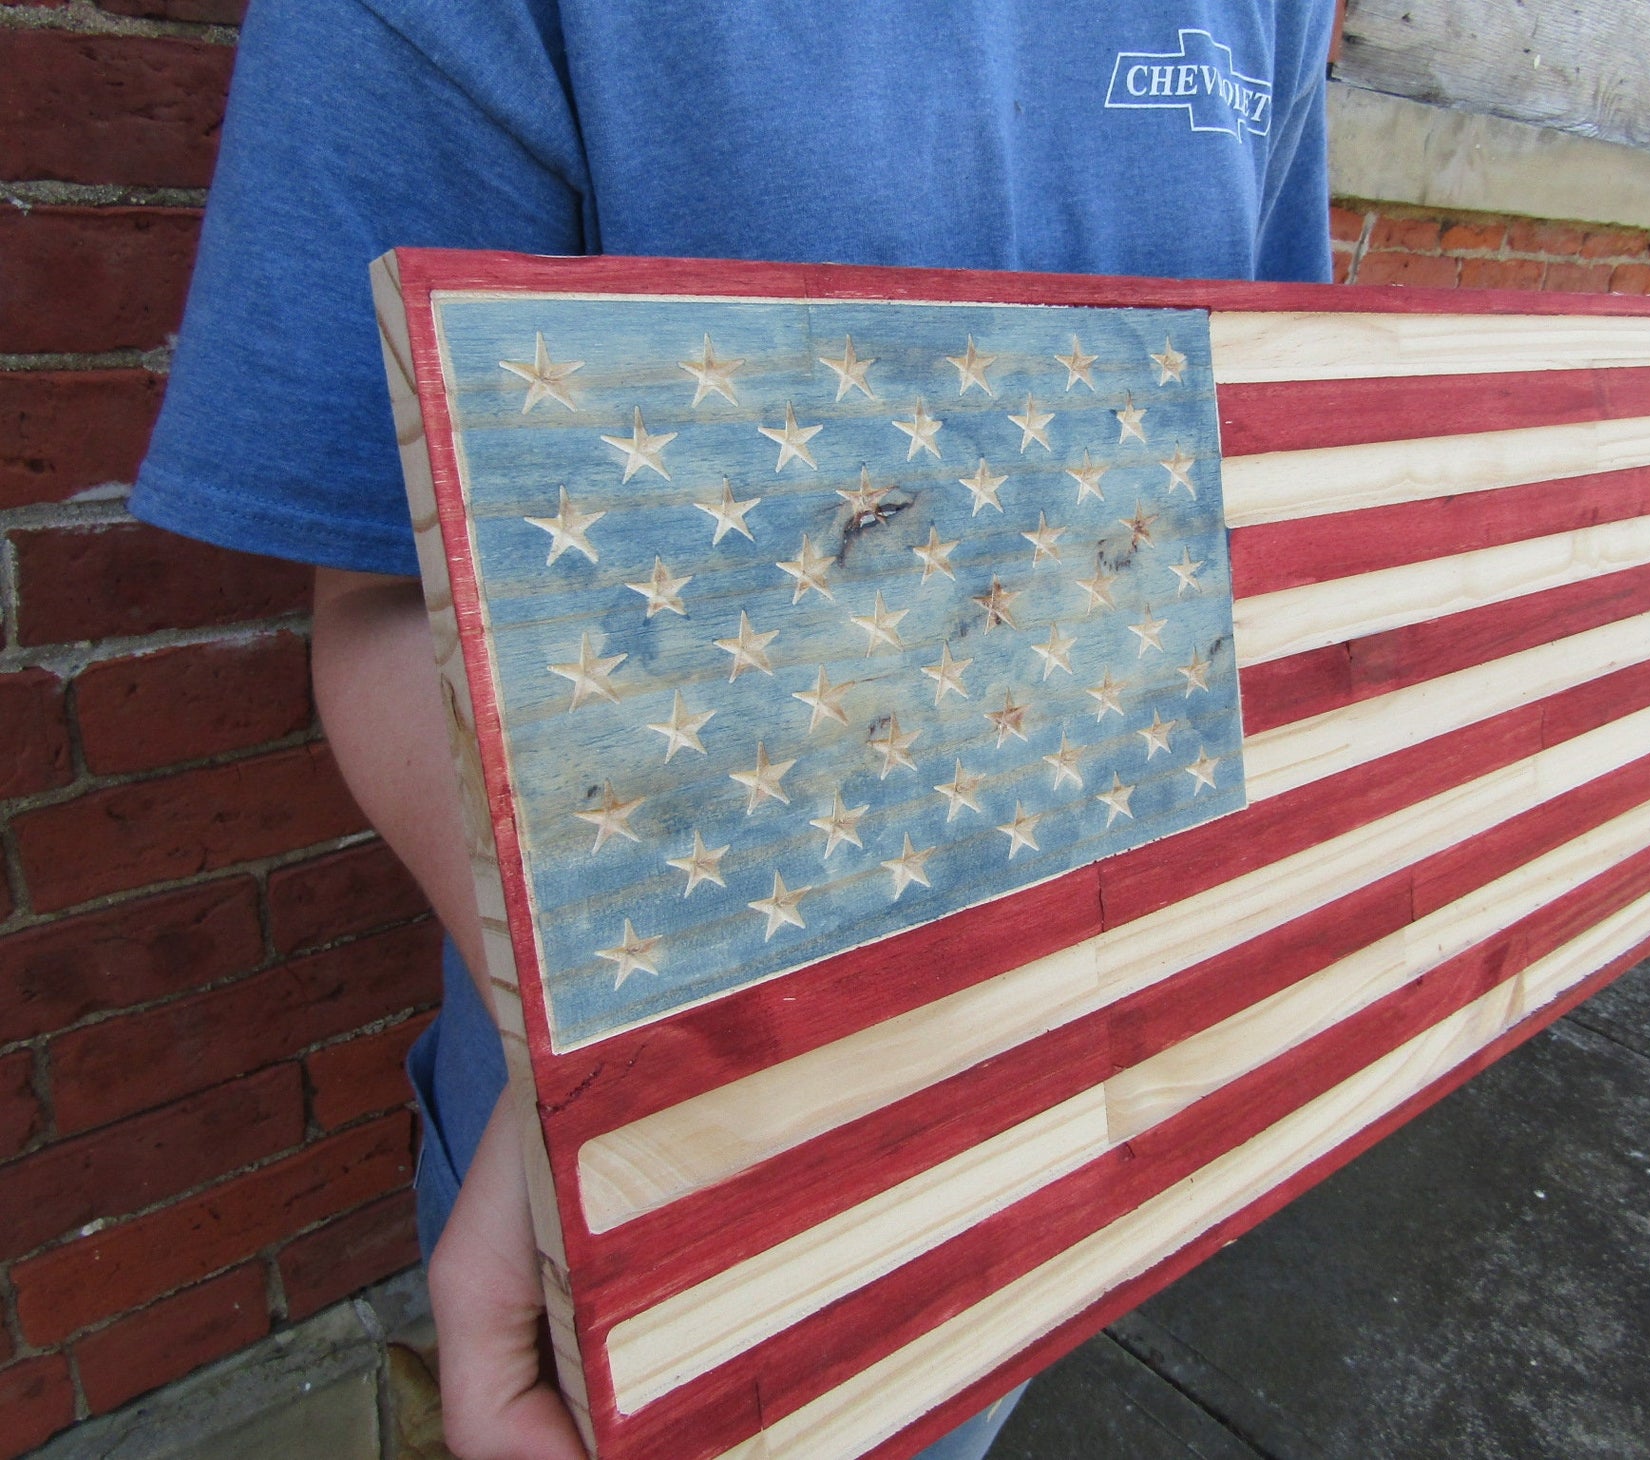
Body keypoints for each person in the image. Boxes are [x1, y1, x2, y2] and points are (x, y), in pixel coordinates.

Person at [130, 3, 1336, 1456]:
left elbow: (1250, 458)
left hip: (1058, 1086)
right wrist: (629, 1082)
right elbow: (389, 591)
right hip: (687, 1139)